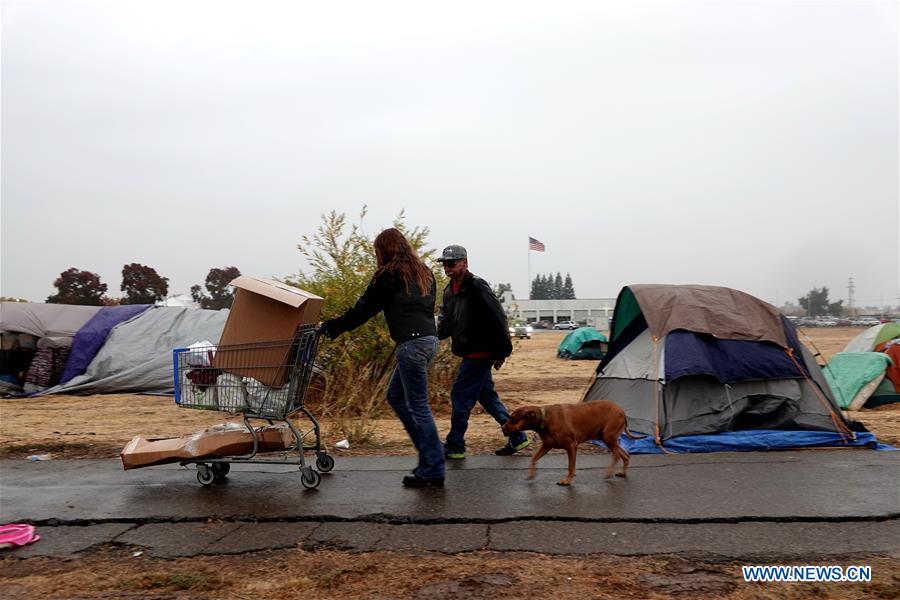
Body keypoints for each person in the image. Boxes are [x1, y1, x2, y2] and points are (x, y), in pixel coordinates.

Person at [319, 228, 444, 488]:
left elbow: (364, 309)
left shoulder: (389, 274)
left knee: (418, 405)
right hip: (429, 341)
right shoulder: (424, 272)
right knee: (396, 396)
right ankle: (429, 456)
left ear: (383, 250)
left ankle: (432, 466)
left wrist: (331, 327)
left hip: (411, 344)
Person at [437, 244, 531, 459]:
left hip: (480, 353)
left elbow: (498, 319)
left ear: (465, 263)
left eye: (452, 263)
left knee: (460, 397)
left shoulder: (478, 287)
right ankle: (517, 437)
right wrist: (432, 334)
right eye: (445, 264)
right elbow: (447, 323)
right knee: (487, 397)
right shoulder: (449, 291)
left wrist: (501, 352)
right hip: (468, 351)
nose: (448, 268)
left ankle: (455, 445)